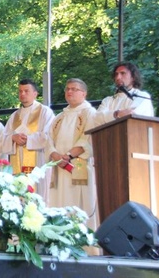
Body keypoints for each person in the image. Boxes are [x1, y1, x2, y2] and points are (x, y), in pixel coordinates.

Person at [45, 79, 99, 232]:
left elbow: (87, 138)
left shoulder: (90, 113)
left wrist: (68, 156)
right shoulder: (59, 117)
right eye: (67, 89)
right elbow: (48, 139)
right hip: (59, 167)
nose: (69, 92)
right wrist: (55, 155)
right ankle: (59, 240)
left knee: (79, 206)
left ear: (84, 93)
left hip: (78, 165)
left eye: (74, 89)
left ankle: (83, 246)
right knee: (58, 204)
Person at [1, 79, 55, 200]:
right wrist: (13, 138)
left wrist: (28, 139)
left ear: (35, 94)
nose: (23, 94)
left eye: (26, 91)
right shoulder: (14, 115)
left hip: (37, 162)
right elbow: (3, 139)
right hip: (17, 165)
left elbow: (49, 136)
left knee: (36, 197)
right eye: (20, 91)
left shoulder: (45, 112)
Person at [92, 61, 155, 127]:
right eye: (116, 74)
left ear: (133, 77)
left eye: (123, 73)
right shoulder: (107, 100)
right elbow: (96, 119)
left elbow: (131, 114)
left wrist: (107, 116)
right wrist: (116, 114)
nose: (118, 77)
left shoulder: (142, 96)